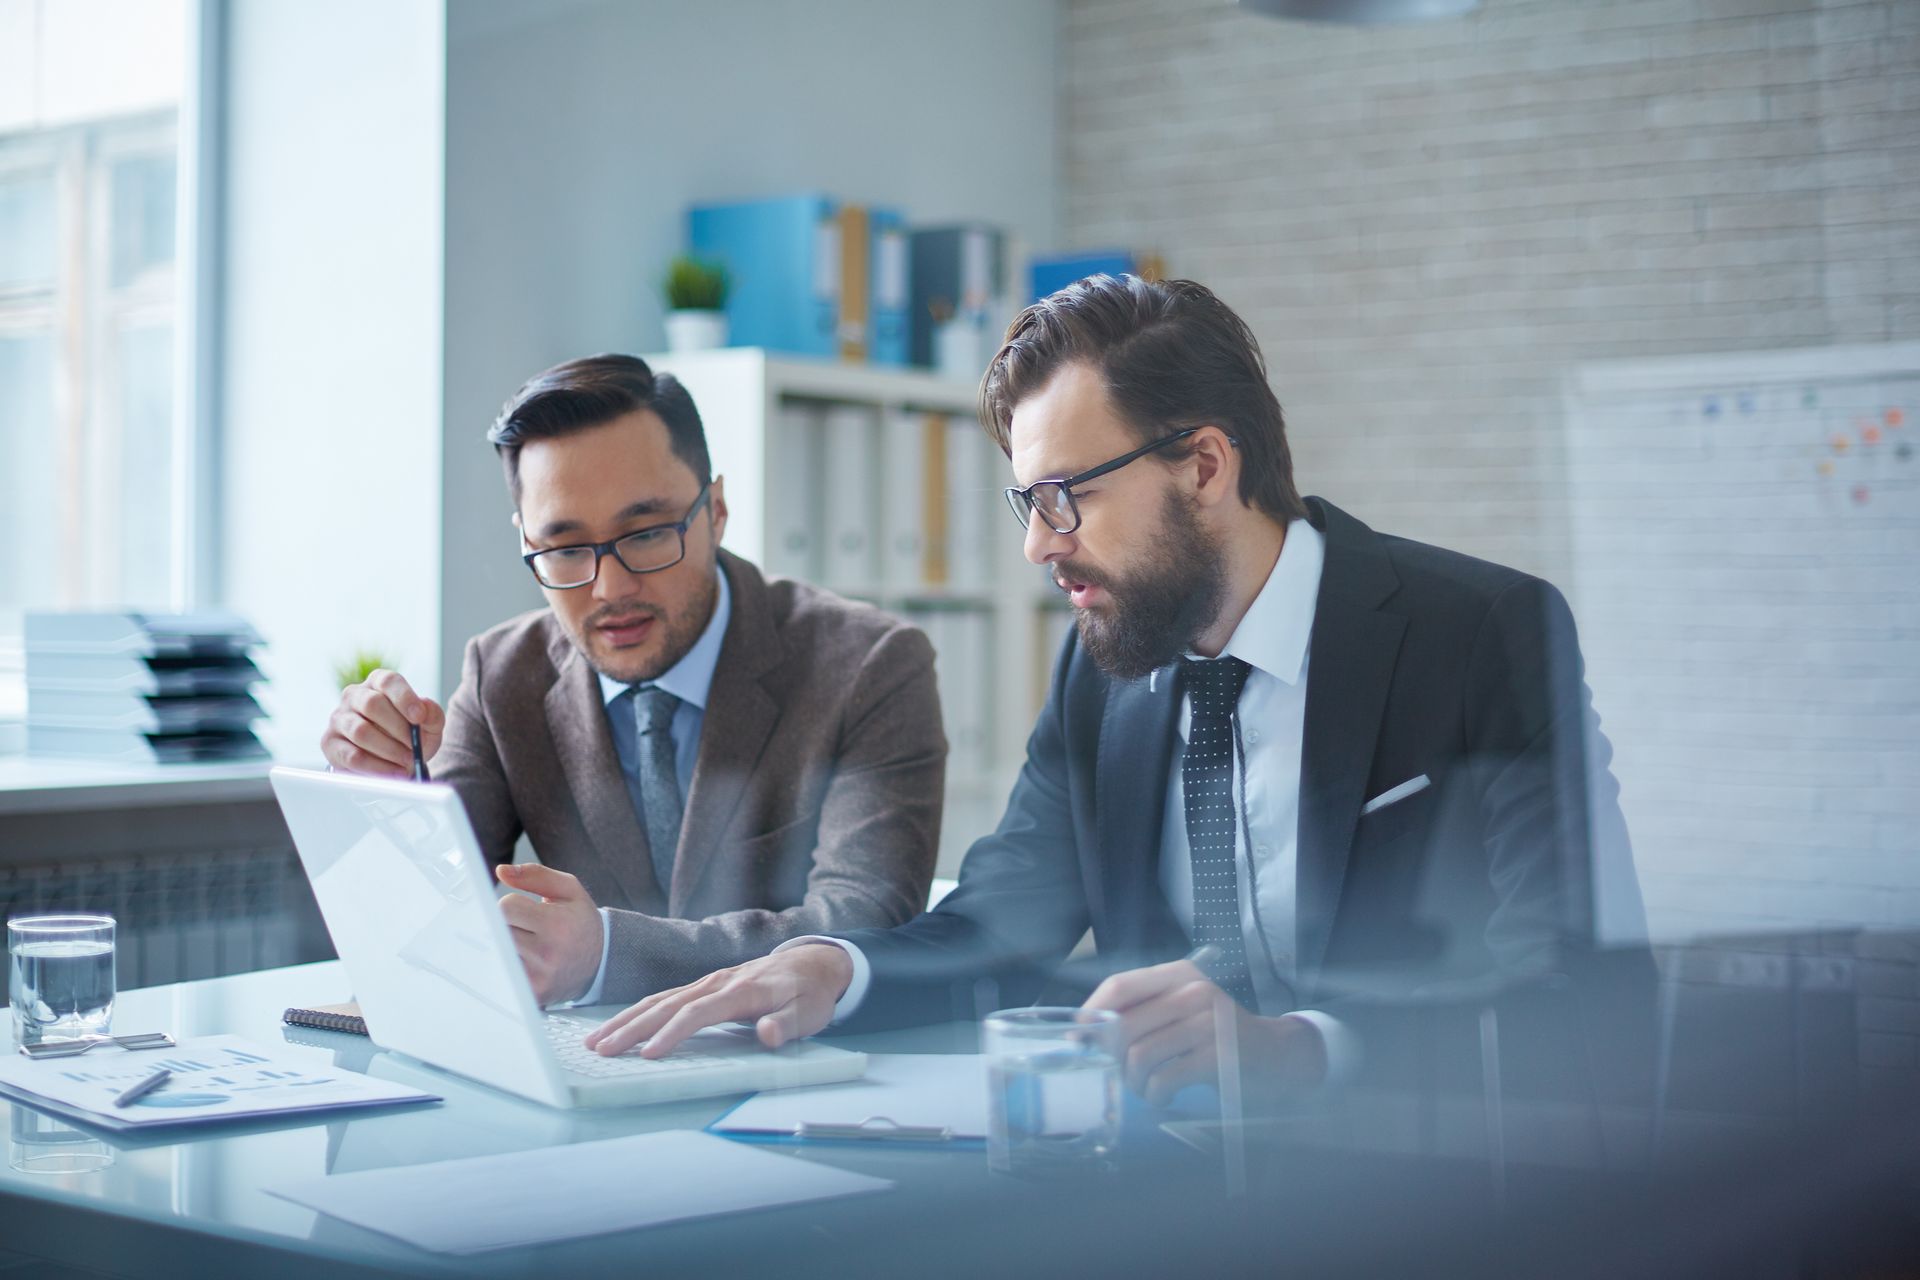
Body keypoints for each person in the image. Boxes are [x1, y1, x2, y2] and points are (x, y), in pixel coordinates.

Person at [583, 276, 1651, 1104]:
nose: (1039, 549)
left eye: (1066, 498)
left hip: (1428, 1194)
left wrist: (1302, 1050)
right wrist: (831, 968)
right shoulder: (1105, 668)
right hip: (1162, 1187)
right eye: (1025, 503)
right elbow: (1003, 920)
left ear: (1204, 466)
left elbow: (1580, 988)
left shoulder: (1480, 634)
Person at [319, 354, 945, 1006]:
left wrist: (610, 955)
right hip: (582, 1070)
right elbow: (424, 924)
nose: (610, 588)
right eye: (564, 550)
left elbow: (865, 922)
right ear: (526, 541)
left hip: (794, 1071)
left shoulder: (870, 665)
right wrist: (382, 794)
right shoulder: (501, 675)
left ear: (718, 510)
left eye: (646, 534)